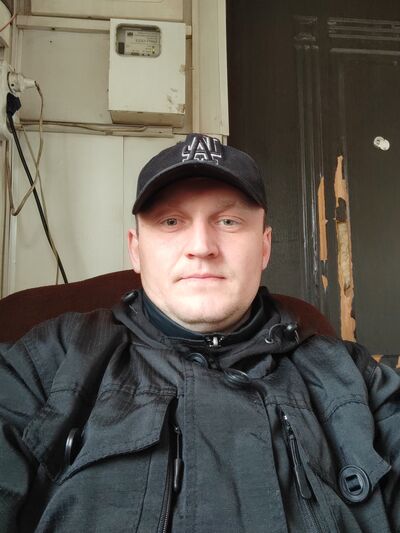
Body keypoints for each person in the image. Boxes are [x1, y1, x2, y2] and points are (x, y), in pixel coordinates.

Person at [0, 133, 398, 533]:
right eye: (171, 221)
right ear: (136, 249)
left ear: (264, 247)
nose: (202, 246)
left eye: (228, 221)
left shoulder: (355, 377)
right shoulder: (47, 361)